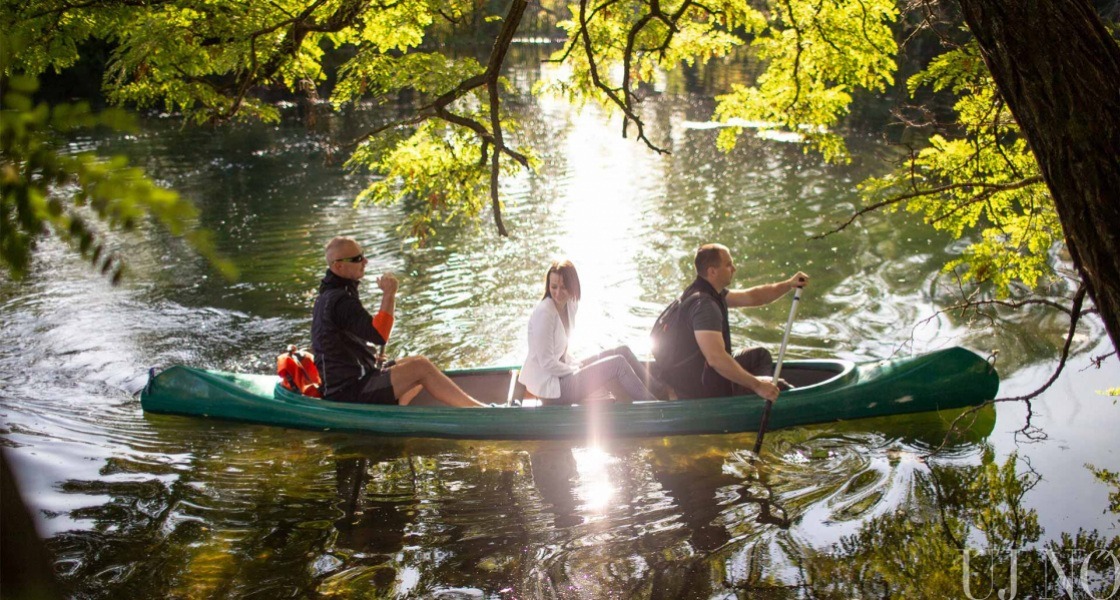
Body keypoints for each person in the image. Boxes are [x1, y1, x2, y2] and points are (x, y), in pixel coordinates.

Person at [311, 236, 487, 407]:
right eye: (357, 258)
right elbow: (380, 334)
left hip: (352, 381)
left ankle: (397, 412)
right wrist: (389, 294)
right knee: (420, 367)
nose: (365, 261)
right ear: (339, 266)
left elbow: (335, 343)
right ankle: (479, 411)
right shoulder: (340, 300)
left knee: (417, 361)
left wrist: (367, 357)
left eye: (363, 255)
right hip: (347, 392)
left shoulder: (331, 295)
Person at [654, 243, 809, 401]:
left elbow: (754, 296)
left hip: (696, 374)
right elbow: (716, 359)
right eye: (728, 265)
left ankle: (754, 402)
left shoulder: (704, 291)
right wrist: (758, 385)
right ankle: (759, 399)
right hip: (701, 390)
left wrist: (789, 284)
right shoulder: (705, 307)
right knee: (781, 389)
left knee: (759, 356)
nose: (734, 269)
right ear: (712, 271)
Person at [518, 259, 658, 405]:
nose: (558, 293)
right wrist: (573, 369)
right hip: (553, 389)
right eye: (554, 287)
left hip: (564, 373)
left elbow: (562, 352)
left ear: (572, 286)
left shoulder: (569, 304)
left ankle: (658, 391)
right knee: (618, 363)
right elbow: (547, 363)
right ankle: (656, 409)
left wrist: (575, 365)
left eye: (563, 287)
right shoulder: (544, 313)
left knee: (623, 351)